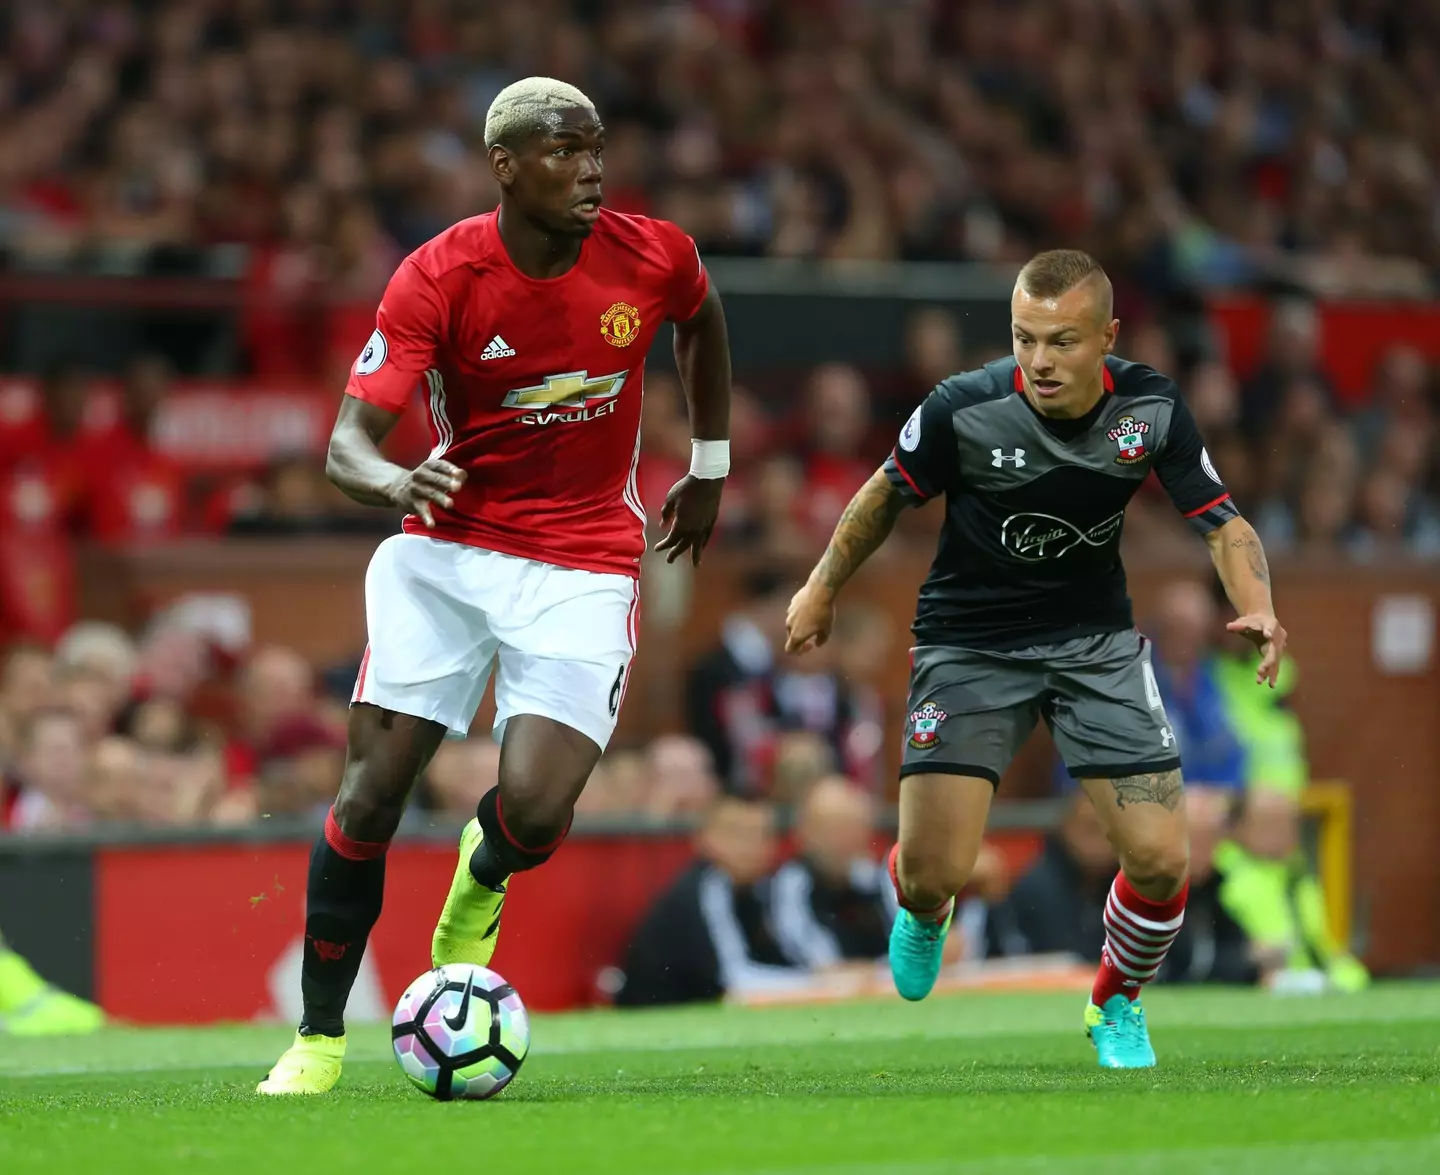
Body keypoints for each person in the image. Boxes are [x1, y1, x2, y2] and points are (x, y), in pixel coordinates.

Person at [259, 77, 732, 1094]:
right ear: (505, 167)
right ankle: (319, 1036)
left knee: (538, 808)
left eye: (597, 148)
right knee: (370, 792)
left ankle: (482, 872)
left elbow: (702, 318)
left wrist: (711, 461)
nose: (590, 170)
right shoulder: (439, 275)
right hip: (448, 553)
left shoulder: (654, 254)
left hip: (583, 558)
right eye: (564, 151)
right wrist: (395, 479)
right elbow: (346, 443)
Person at [785, 249, 1286, 1069]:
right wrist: (820, 586)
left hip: (1095, 646)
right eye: (1025, 338)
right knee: (934, 871)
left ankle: (1115, 1002)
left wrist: (1258, 603)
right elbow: (883, 492)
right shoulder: (964, 406)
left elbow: (1223, 522)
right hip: (969, 644)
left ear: (1108, 337)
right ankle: (923, 901)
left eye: (1062, 341)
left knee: (1163, 860)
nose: (1040, 360)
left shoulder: (1151, 407)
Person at [613, 796, 808, 1007]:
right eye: (735, 833)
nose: (750, 846)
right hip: (656, 1015)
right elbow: (736, 979)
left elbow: (780, 960)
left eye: (762, 835)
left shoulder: (757, 892)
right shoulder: (703, 888)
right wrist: (817, 984)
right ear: (703, 837)